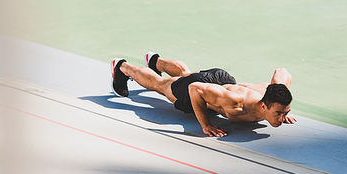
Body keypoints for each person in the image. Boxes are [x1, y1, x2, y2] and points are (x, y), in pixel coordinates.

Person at [111, 52, 296, 137]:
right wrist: (206, 125)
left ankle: (156, 61)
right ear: (264, 106)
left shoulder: (272, 94)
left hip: (223, 82)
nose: (281, 118)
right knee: (161, 85)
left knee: (185, 75)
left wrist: (282, 109)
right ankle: (122, 67)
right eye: (278, 113)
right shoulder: (235, 103)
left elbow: (282, 71)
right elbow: (195, 89)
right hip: (213, 90)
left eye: (284, 113)